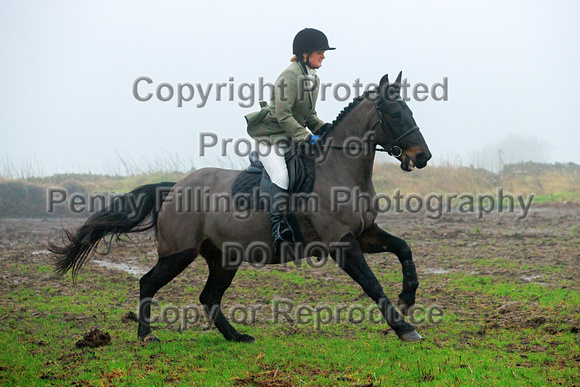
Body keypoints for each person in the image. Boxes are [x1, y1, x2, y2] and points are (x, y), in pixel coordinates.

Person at [245, 28, 335, 256]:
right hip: (271, 138)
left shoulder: (313, 78)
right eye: (319, 52)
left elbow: (310, 116)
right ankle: (278, 229)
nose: (323, 56)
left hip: (291, 137)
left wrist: (326, 130)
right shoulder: (290, 76)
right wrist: (306, 136)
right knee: (281, 176)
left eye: (323, 52)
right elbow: (284, 115)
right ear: (304, 54)